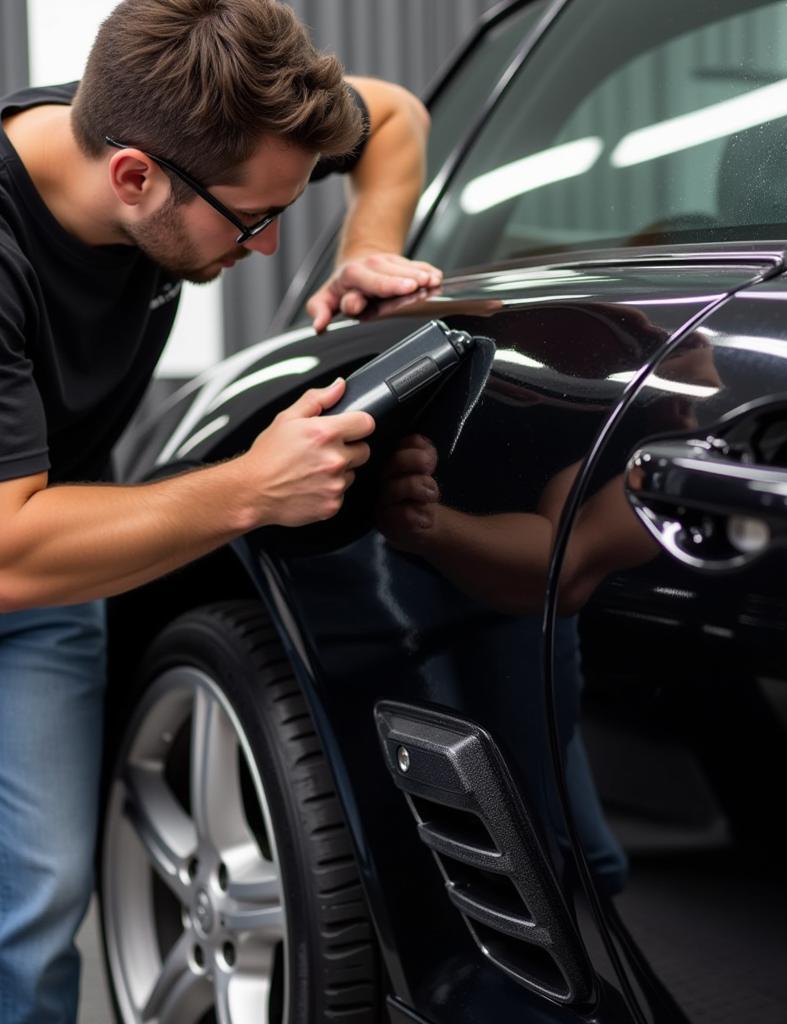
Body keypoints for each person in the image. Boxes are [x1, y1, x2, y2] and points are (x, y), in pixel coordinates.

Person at [0, 1, 442, 1020]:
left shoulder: (167, 130)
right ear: (133, 178)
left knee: (36, 907)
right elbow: (10, 552)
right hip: (21, 541)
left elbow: (394, 116)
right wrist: (251, 488)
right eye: (250, 220)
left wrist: (362, 249)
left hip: (51, 540)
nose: (267, 241)